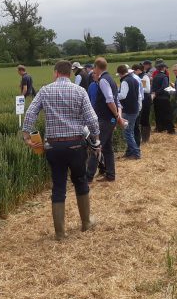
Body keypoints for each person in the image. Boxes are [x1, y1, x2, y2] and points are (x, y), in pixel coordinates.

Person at [22, 60, 100, 240]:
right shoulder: (79, 91)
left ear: (56, 72)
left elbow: (31, 113)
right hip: (76, 144)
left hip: (53, 146)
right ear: (69, 73)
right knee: (80, 181)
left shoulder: (45, 90)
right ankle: (86, 223)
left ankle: (60, 232)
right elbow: (92, 119)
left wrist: (27, 137)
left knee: (58, 185)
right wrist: (96, 139)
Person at [85, 58, 124, 183]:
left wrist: (117, 116)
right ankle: (110, 175)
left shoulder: (103, 80)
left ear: (97, 67)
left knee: (96, 147)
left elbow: (110, 100)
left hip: (105, 119)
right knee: (107, 148)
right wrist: (116, 117)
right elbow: (115, 99)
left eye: (94, 68)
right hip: (109, 119)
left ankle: (88, 177)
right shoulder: (110, 78)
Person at [117, 64, 142, 159]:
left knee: (128, 132)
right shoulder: (134, 79)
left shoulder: (125, 81)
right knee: (130, 132)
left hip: (128, 110)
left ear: (120, 73)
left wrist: (114, 95)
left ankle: (136, 153)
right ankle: (130, 152)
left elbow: (123, 95)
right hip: (134, 108)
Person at [151, 61, 174, 133]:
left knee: (158, 114)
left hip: (156, 98)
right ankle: (170, 129)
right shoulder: (164, 77)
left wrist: (155, 94)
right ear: (163, 68)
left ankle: (160, 128)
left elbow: (153, 87)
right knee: (167, 114)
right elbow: (164, 87)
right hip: (164, 98)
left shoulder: (155, 77)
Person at [138, 61, 153, 144]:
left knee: (145, 118)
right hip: (142, 99)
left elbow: (147, 89)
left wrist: (137, 88)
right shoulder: (139, 76)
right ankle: (142, 137)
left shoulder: (144, 77)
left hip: (146, 99)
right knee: (141, 119)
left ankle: (145, 138)